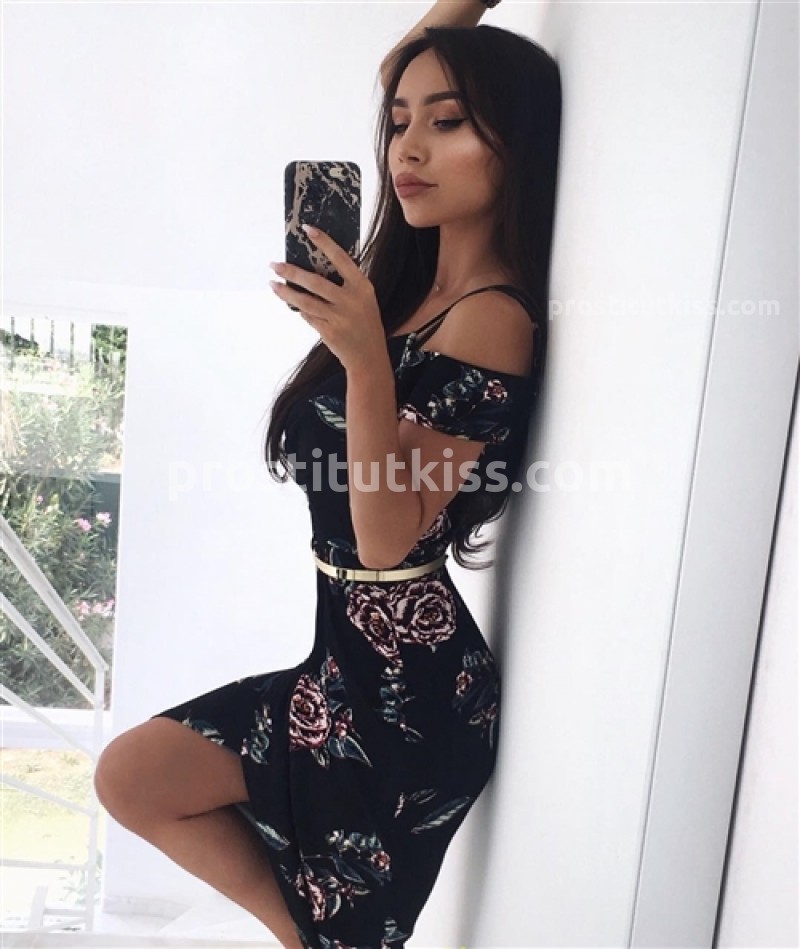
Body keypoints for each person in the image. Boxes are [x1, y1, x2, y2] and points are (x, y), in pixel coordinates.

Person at [93, 1, 561, 946]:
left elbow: (387, 540)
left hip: (412, 697)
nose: (407, 148)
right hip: (342, 656)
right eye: (400, 124)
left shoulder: (490, 314)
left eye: (449, 122)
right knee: (132, 775)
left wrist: (364, 358)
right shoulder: (410, 289)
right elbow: (400, 74)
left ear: (514, 144)